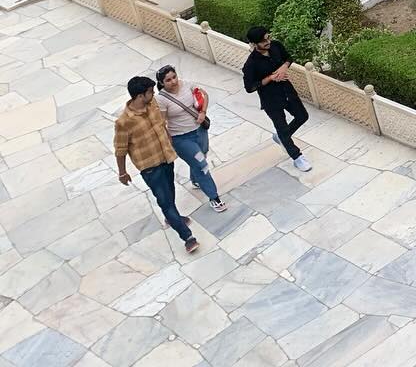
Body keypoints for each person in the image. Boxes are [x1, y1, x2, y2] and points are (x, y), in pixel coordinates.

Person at [114, 76, 199, 253]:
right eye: (150, 92)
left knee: (170, 193)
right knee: (164, 202)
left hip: (166, 158)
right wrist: (122, 173)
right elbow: (120, 149)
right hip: (150, 167)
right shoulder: (124, 122)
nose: (153, 94)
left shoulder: (152, 105)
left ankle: (172, 218)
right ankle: (187, 237)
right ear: (139, 96)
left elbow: (161, 125)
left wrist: (168, 139)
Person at [155, 65, 226, 212]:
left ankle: (195, 180)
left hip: (199, 130)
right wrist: (167, 142)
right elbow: (161, 123)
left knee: (203, 153)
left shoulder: (187, 84)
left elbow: (204, 95)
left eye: (174, 77)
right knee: (201, 164)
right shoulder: (161, 99)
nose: (173, 82)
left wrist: (203, 112)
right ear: (162, 83)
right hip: (181, 138)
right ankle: (214, 197)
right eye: (168, 80)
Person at [243, 27, 312, 172]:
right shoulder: (251, 63)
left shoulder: (276, 46)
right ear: (255, 44)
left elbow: (288, 58)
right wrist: (270, 78)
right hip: (271, 99)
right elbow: (249, 87)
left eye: (268, 38)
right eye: (264, 41)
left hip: (287, 90)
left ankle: (281, 137)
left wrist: (284, 67)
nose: (268, 42)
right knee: (282, 126)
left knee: (302, 116)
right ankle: (297, 157)